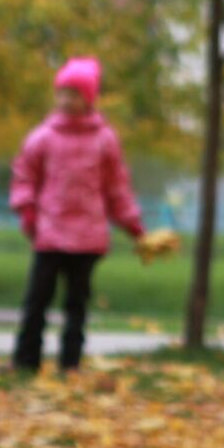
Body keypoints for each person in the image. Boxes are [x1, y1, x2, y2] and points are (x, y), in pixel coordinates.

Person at [8, 56, 143, 372]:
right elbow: (24, 175)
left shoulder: (104, 140)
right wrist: (27, 210)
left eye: (74, 94)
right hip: (50, 233)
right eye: (62, 93)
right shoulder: (43, 137)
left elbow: (116, 188)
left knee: (76, 305)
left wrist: (133, 226)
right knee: (36, 301)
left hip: (87, 238)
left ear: (89, 99)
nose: (66, 100)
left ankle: (70, 363)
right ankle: (26, 360)